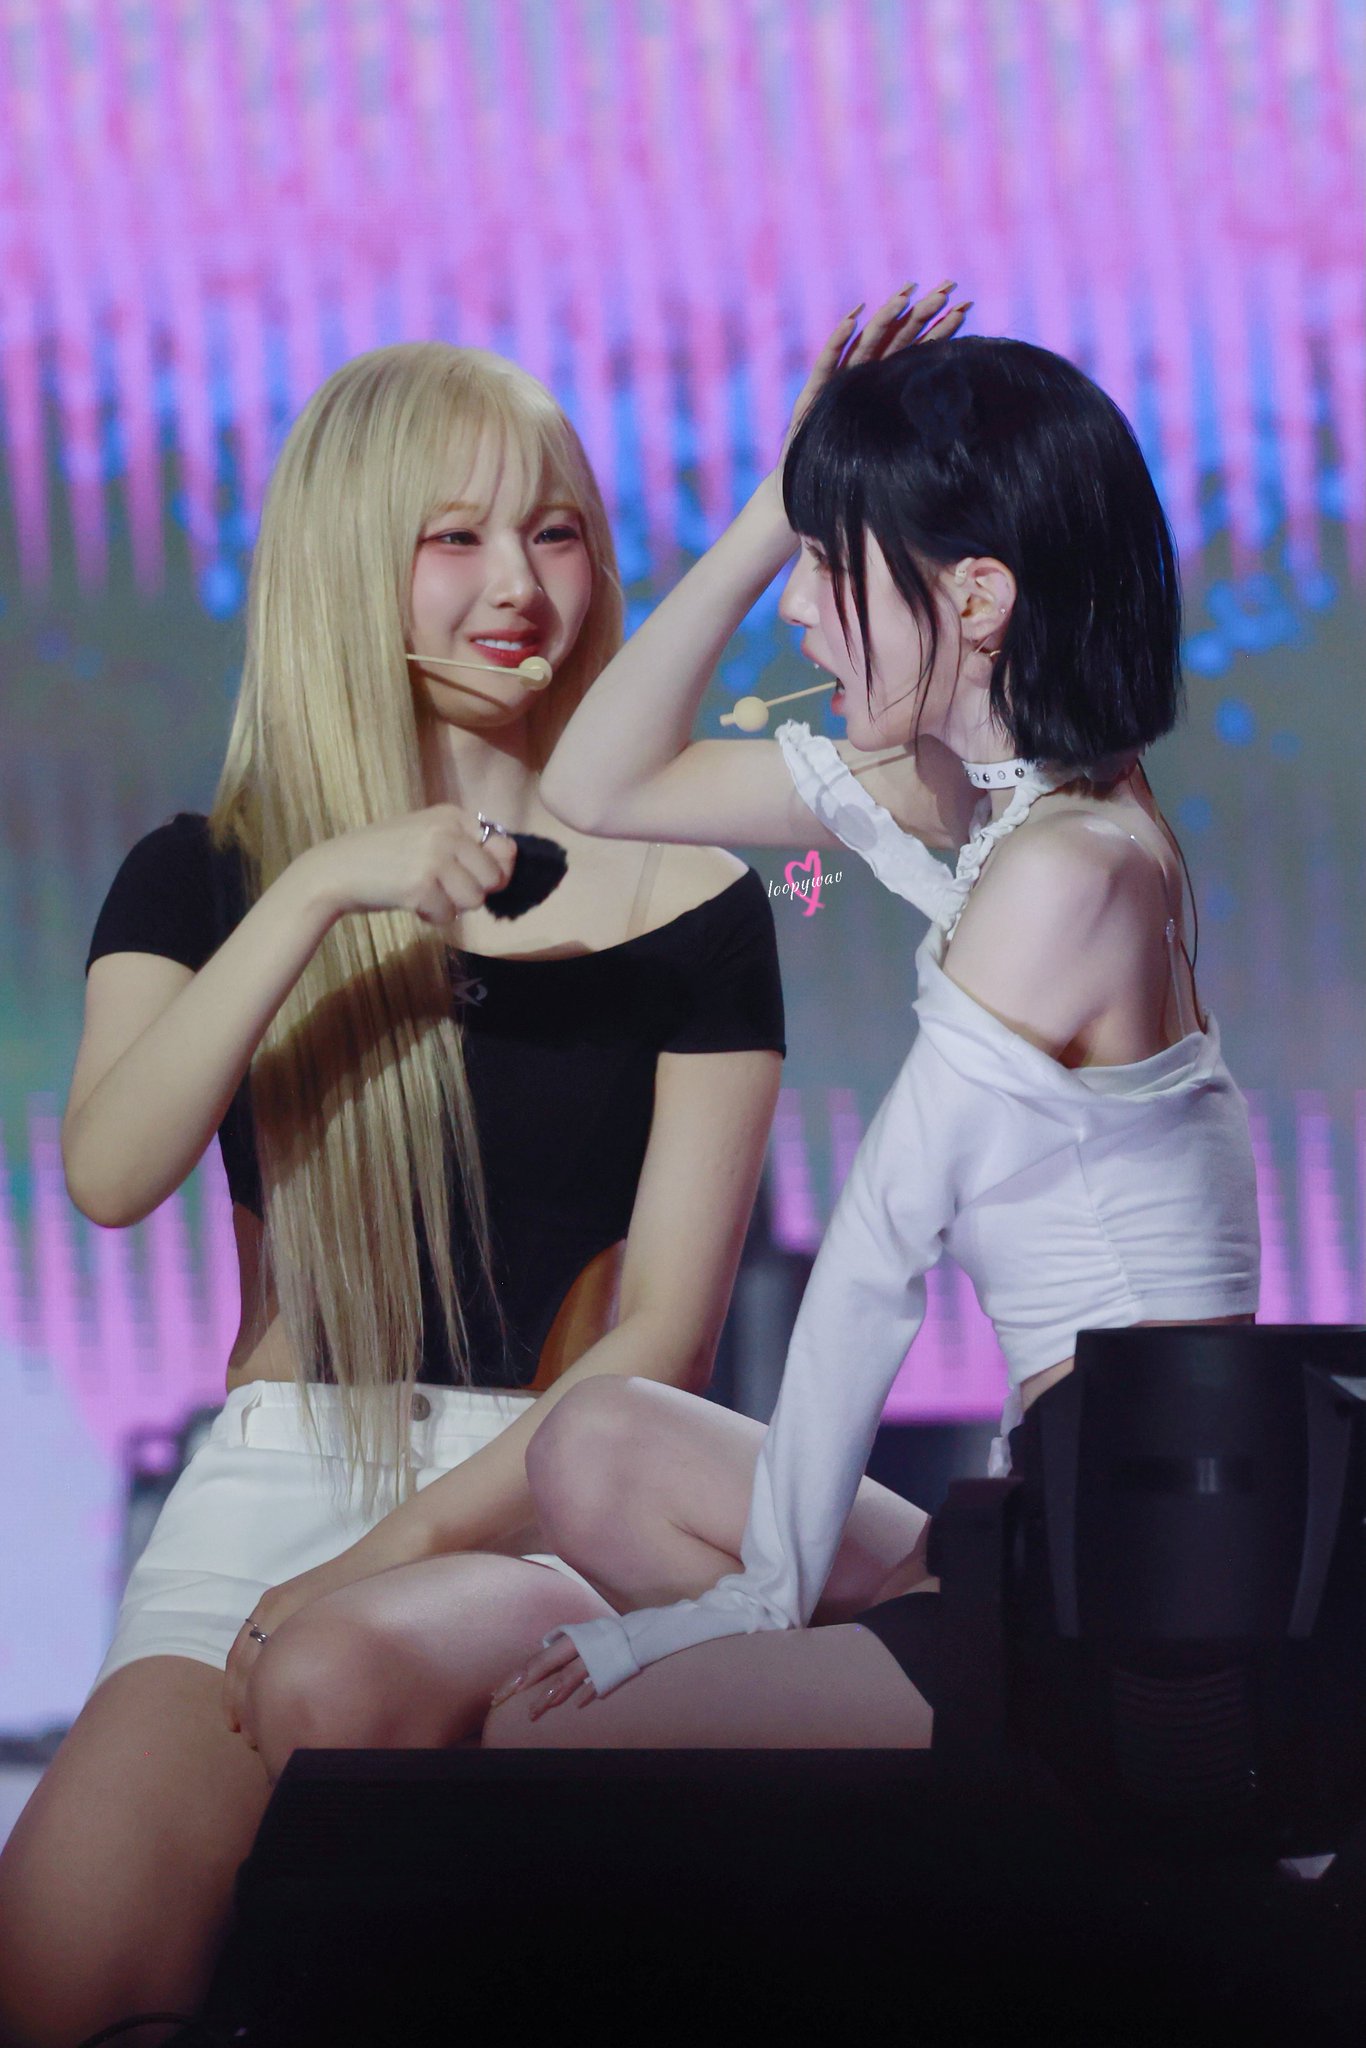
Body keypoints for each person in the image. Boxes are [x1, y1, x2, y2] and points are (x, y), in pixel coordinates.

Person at [0, 340, 805, 2048]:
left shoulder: (695, 907)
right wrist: (318, 890)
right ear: (350, 558)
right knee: (53, 1973)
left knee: (357, 1759)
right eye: (456, 537)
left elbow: (662, 1336)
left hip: (541, 1498)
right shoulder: (203, 875)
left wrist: (389, 1553)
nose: (517, 585)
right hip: (269, 1489)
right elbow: (111, 1172)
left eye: (555, 532)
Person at [480, 299, 1261, 1752]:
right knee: (595, 1446)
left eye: (830, 567)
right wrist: (774, 509)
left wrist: (754, 1598)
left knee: (546, 1738)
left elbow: (873, 1258)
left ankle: (956, 1779)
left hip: (1124, 1606)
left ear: (976, 598)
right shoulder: (995, 808)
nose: (794, 609)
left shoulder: (1072, 874)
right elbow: (597, 785)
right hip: (1039, 1524)